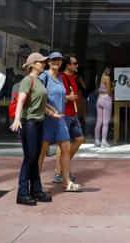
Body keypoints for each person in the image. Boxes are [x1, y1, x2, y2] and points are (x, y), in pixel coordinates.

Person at [9, 52, 53, 205]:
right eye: (41, 62)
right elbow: (21, 101)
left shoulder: (39, 81)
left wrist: (52, 113)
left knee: (35, 157)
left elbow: (39, 103)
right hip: (29, 123)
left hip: (39, 122)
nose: (43, 64)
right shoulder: (27, 81)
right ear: (33, 64)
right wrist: (17, 119)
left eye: (44, 62)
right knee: (30, 157)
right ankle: (22, 193)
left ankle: (36, 190)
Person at [37, 52, 77, 191]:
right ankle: (36, 184)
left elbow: (61, 97)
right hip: (47, 119)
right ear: (48, 62)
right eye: (53, 60)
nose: (56, 62)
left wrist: (67, 99)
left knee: (66, 149)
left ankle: (66, 182)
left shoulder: (60, 77)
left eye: (59, 60)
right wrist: (49, 110)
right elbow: (37, 96)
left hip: (60, 119)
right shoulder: (44, 76)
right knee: (41, 153)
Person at [52, 54, 85, 188]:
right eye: (74, 63)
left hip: (73, 113)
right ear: (68, 65)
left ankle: (62, 167)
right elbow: (56, 95)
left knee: (79, 139)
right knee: (62, 143)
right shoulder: (61, 77)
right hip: (64, 113)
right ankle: (59, 172)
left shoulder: (72, 77)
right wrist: (67, 98)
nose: (76, 66)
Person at [95, 65, 113, 148]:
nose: (110, 71)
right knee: (106, 122)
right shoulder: (107, 78)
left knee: (99, 121)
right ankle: (104, 141)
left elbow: (98, 89)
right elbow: (109, 91)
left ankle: (97, 140)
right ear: (106, 69)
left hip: (99, 99)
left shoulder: (97, 77)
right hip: (106, 99)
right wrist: (113, 87)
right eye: (109, 69)